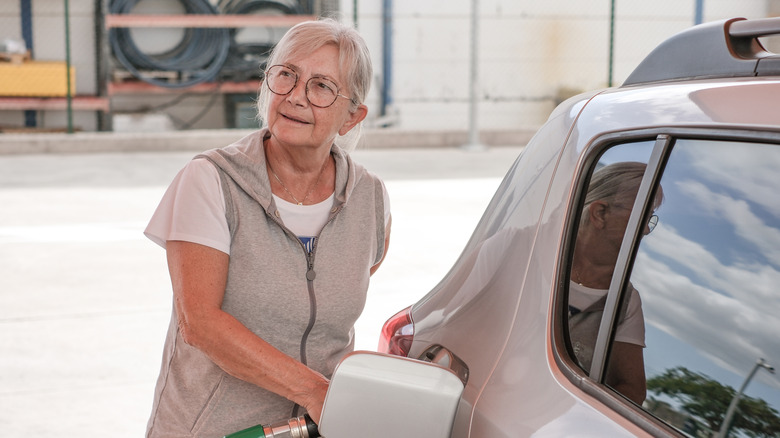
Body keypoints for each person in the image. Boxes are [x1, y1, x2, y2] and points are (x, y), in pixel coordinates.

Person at [143, 18, 391, 437]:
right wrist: (317, 392)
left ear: (351, 117)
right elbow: (200, 322)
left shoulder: (369, 198)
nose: (296, 96)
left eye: (321, 86)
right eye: (286, 76)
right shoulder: (211, 180)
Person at [568, 161, 662, 405]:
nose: (646, 231)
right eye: (644, 216)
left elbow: (632, 391)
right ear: (600, 213)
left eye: (651, 219)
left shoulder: (627, 302)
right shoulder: (523, 246)